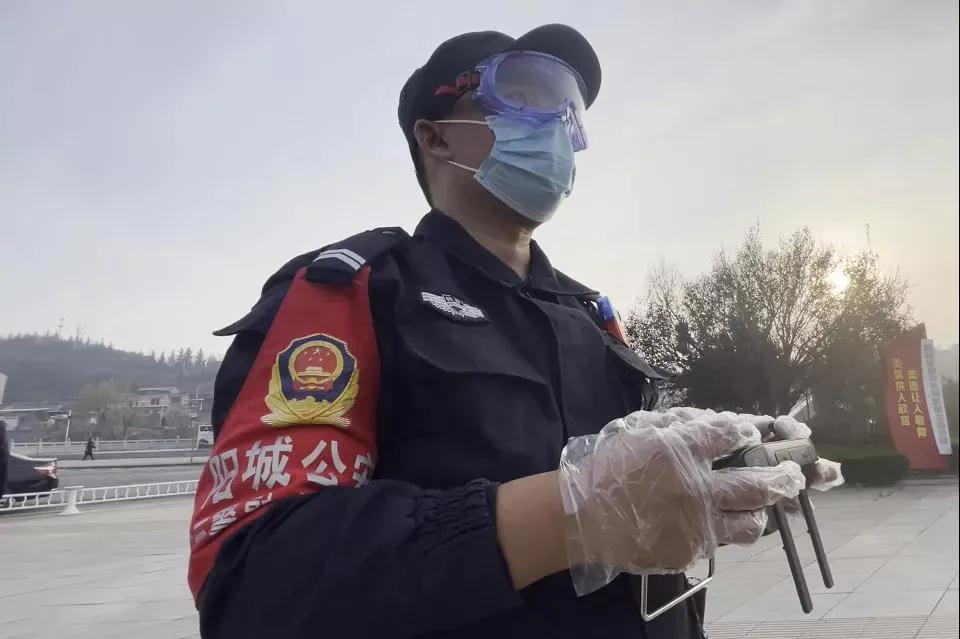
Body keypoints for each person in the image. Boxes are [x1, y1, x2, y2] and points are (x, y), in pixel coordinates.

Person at [187, 24, 839, 638]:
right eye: (525, 97)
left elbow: (638, 492)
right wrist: (571, 516)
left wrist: (726, 467)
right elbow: (252, 579)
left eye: (568, 111)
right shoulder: (356, 292)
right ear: (436, 137)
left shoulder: (591, 315)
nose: (557, 126)